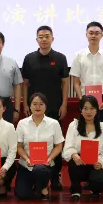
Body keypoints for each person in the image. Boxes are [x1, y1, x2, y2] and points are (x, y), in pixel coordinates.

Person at [20, 25, 69, 190]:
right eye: (41, 37)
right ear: (36, 39)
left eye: (47, 36)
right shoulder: (29, 58)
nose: (44, 39)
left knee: (55, 142)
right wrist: (25, 103)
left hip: (54, 106)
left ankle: (55, 176)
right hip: (34, 107)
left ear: (52, 38)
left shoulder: (60, 58)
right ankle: (35, 174)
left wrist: (64, 103)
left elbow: (65, 83)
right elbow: (25, 83)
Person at [15, 92, 65, 201]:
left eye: (41, 104)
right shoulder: (22, 123)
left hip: (45, 165)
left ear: (46, 106)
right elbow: (19, 146)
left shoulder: (54, 123)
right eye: (34, 104)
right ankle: (35, 184)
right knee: (22, 195)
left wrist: (50, 158)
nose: (37, 107)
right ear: (29, 106)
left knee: (40, 169)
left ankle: (43, 187)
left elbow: (58, 145)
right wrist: (26, 159)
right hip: (26, 165)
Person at [63, 95, 103, 200]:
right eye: (85, 108)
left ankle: (94, 186)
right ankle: (76, 190)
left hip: (96, 163)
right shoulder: (74, 125)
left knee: (98, 183)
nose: (88, 112)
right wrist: (74, 154)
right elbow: (67, 148)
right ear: (81, 110)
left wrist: (100, 163)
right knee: (73, 162)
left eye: (92, 108)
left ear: (96, 110)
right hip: (80, 162)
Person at [70, 21, 103, 128]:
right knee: (86, 131)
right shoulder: (79, 55)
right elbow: (76, 82)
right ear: (86, 35)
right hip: (85, 98)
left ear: (101, 35)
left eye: (97, 33)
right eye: (91, 33)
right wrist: (81, 100)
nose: (93, 36)